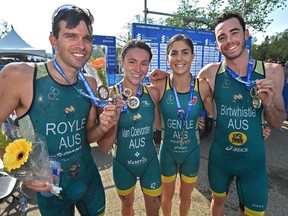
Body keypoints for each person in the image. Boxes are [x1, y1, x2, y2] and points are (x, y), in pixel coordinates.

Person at [0, 4, 119, 216]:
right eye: (71, 36)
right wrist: (21, 171)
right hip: (51, 192)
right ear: (53, 41)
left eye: (87, 38)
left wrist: (105, 126)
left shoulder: (90, 84)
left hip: (89, 182)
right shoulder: (19, 76)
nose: (81, 45)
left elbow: (88, 137)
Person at [197, 13, 286, 216]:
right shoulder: (209, 73)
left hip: (253, 164)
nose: (229, 41)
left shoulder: (272, 72)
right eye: (222, 37)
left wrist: (269, 106)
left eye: (234, 32)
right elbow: (183, 89)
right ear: (217, 43)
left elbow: (277, 122)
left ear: (246, 34)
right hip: (220, 159)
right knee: (217, 203)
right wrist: (164, 77)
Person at [148, 34, 213, 216]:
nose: (179, 58)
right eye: (174, 53)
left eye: (185, 53)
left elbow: (219, 112)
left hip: (191, 154)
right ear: (167, 57)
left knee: (186, 197)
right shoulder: (160, 86)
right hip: (167, 152)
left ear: (192, 56)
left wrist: (261, 122)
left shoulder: (203, 87)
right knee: (166, 197)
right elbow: (137, 97)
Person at [98, 40, 162, 216]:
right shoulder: (109, 96)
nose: (138, 69)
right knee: (127, 206)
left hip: (150, 162)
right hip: (122, 164)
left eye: (144, 63)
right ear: (121, 61)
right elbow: (103, 147)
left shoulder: (153, 93)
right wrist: (115, 117)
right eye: (132, 61)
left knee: (155, 207)